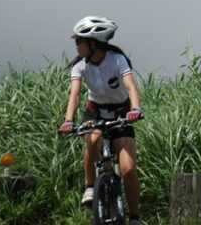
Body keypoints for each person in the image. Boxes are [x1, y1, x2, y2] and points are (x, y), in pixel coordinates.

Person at [57, 16, 144, 225]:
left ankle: (134, 218)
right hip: (95, 110)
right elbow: (75, 95)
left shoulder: (117, 59)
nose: (76, 46)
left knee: (128, 169)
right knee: (93, 139)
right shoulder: (79, 66)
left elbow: (131, 86)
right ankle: (90, 186)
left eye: (79, 41)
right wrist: (68, 120)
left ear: (93, 43)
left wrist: (135, 109)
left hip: (121, 112)